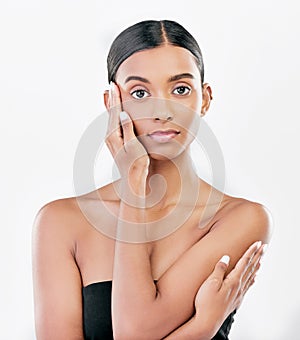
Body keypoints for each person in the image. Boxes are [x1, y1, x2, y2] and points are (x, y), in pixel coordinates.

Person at [32, 19, 272, 339]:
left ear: (205, 99)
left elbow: (134, 333)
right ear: (112, 103)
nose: (162, 110)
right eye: (140, 92)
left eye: (181, 89)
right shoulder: (60, 222)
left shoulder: (240, 218)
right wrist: (200, 329)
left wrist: (133, 191)